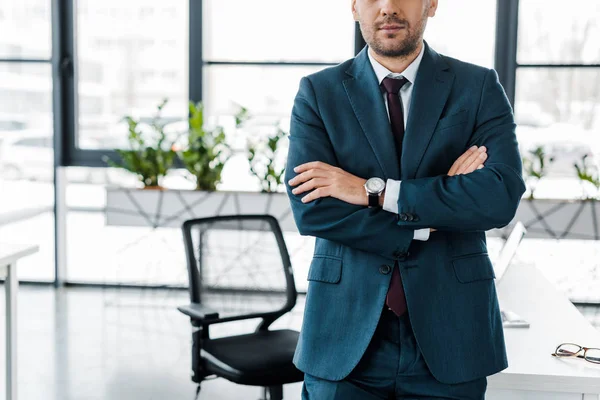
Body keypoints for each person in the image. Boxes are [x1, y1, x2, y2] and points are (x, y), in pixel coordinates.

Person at [285, 0, 526, 398]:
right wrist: (431, 215)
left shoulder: (478, 86)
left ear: (431, 4)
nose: (388, 8)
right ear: (354, 7)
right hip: (343, 333)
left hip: (452, 333)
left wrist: (369, 192)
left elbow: (498, 199)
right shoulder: (319, 92)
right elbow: (314, 211)